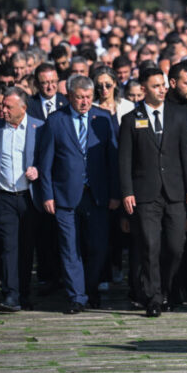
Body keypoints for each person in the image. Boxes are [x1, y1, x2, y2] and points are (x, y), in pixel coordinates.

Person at [36, 75, 121, 314]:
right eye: (79, 97)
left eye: (88, 97)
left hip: (97, 195)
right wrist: (47, 194)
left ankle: (90, 288)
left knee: (98, 247)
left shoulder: (103, 119)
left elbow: (112, 159)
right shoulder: (55, 121)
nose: (84, 102)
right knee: (69, 247)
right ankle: (77, 296)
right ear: (69, 97)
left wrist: (115, 192)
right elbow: (46, 162)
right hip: (65, 195)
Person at [118, 67, 187, 317]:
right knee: (150, 245)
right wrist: (127, 191)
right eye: (156, 86)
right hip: (145, 193)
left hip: (175, 191)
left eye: (163, 84)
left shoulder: (178, 115)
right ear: (144, 89)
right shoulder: (131, 119)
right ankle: (153, 297)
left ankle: (166, 288)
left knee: (175, 247)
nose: (162, 89)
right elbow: (125, 160)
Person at [0, 88, 45, 312]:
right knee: (8, 246)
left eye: (8, 107)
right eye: (2, 106)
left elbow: (47, 160)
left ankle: (24, 293)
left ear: (23, 109)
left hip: (29, 197)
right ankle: (10, 295)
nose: (3, 110)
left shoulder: (39, 127)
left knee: (26, 248)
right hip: (3, 196)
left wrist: (38, 170)